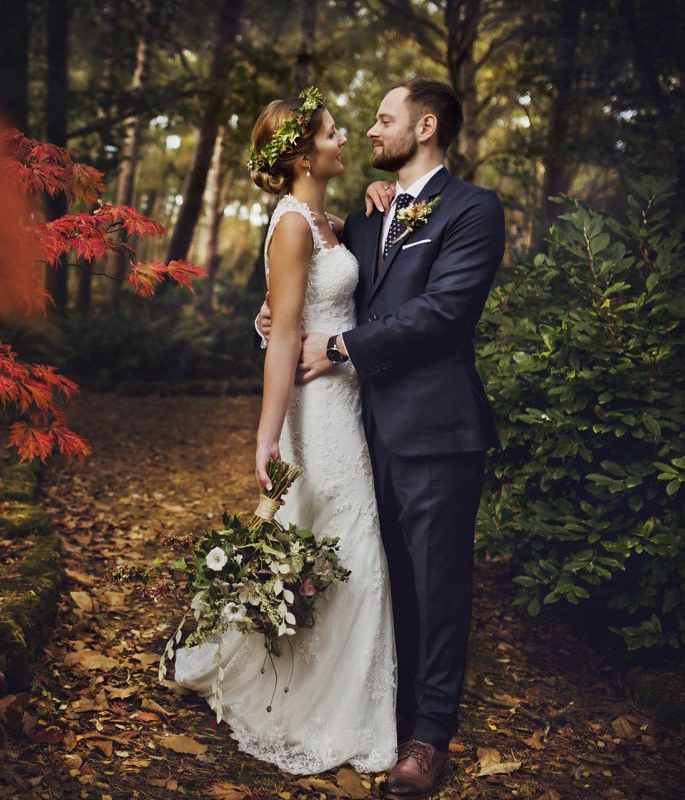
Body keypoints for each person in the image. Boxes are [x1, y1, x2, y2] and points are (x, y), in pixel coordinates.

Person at [256, 78, 506, 800]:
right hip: (361, 430)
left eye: (383, 119)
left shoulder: (472, 210)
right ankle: (385, 709)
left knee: (437, 582)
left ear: (424, 127)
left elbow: (443, 310)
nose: (369, 130)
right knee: (383, 577)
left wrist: (338, 346)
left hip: (436, 430)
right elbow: (315, 285)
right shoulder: (367, 218)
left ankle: (429, 737)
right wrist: (270, 321)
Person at [172, 87, 400, 777]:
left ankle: (346, 693)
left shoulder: (326, 220)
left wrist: (380, 196)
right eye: (332, 133)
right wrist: (266, 437)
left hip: (349, 398)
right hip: (317, 409)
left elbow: (309, 302)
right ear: (302, 155)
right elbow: (282, 339)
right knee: (344, 545)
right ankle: (320, 705)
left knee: (343, 542)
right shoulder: (294, 226)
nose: (344, 138)